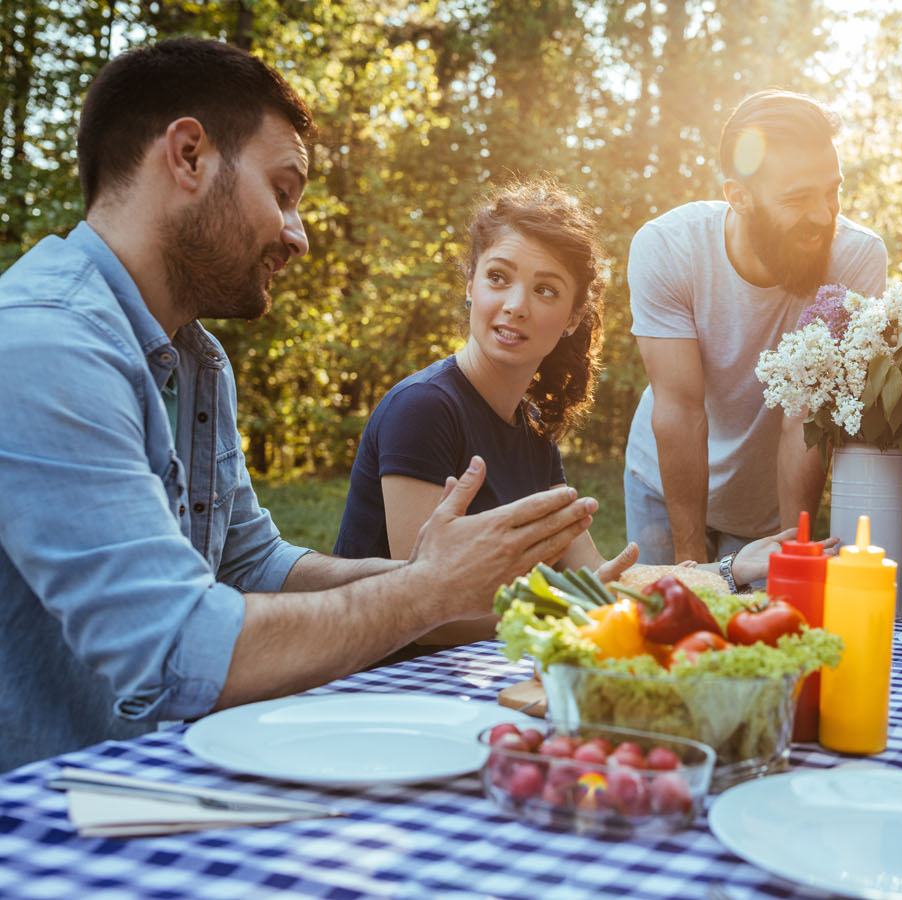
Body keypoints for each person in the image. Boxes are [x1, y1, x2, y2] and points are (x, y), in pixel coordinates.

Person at [0, 38, 596, 772]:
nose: (299, 235)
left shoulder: (196, 361)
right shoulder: (47, 343)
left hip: (153, 784)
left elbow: (252, 561)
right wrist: (426, 592)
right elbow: (177, 647)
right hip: (44, 805)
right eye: (283, 192)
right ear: (188, 156)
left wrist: (441, 574)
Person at [334, 179, 795, 647]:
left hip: (470, 668)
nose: (515, 306)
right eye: (498, 277)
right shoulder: (422, 410)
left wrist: (729, 570)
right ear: (470, 283)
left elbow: (597, 578)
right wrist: (568, 606)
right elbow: (422, 613)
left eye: (545, 290)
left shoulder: (533, 429)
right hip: (382, 673)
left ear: (573, 318)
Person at [624, 89, 887, 586]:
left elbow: (804, 417)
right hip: (663, 485)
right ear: (738, 197)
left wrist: (795, 550)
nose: (824, 214)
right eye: (798, 198)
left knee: (775, 620)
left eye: (832, 191)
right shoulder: (668, 248)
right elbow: (681, 410)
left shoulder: (857, 258)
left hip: (768, 501)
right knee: (670, 619)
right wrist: (693, 570)